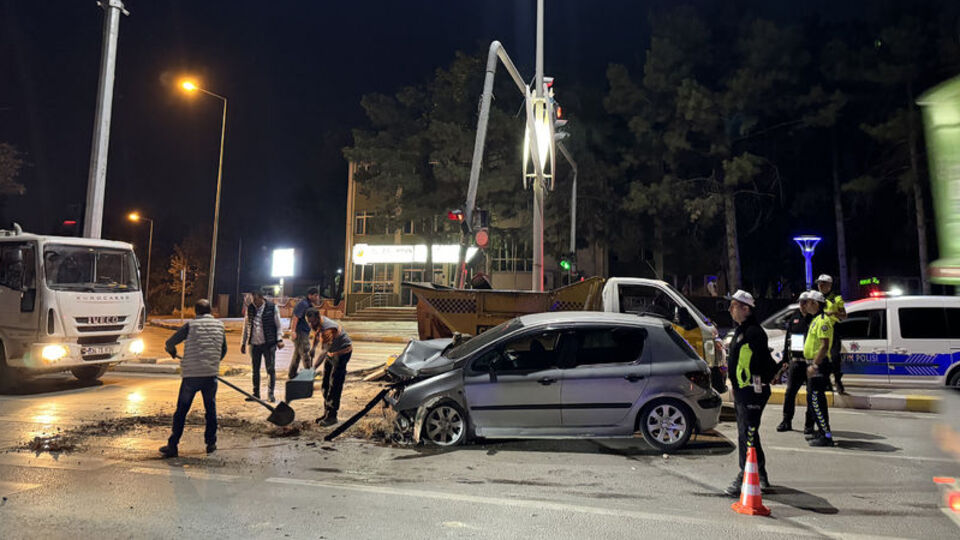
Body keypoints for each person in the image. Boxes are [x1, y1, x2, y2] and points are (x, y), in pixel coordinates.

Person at [724, 290, 778, 497]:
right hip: (743, 391)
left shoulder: (753, 333)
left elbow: (759, 363)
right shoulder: (742, 330)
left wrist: (757, 384)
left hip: (751, 392)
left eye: (734, 306)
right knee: (749, 433)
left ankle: (745, 474)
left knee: (747, 434)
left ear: (746, 309)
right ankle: (760, 474)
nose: (730, 309)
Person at [159, 299, 227, 458]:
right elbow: (223, 349)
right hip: (210, 375)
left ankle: (173, 445)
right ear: (210, 311)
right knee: (210, 409)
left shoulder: (191, 325)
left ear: (196, 312)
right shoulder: (220, 326)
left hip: (191, 376)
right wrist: (212, 363)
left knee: (181, 411)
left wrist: (172, 352)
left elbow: (170, 342)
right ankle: (211, 443)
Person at [305, 309, 353, 427]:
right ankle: (327, 413)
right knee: (325, 385)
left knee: (334, 384)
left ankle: (332, 416)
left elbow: (323, 352)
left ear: (318, 317)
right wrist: (313, 348)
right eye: (308, 322)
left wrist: (313, 368)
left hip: (342, 353)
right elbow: (317, 335)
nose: (310, 325)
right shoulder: (317, 324)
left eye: (312, 322)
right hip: (332, 353)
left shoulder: (328, 328)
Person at [776, 291, 815, 432]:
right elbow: (788, 340)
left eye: (805, 302)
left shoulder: (814, 319)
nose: (802, 305)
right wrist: (785, 360)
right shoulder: (794, 318)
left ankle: (809, 424)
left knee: (811, 394)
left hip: (810, 362)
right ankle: (786, 421)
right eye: (800, 302)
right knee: (790, 392)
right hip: (796, 361)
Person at [804, 290, 836, 447]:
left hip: (819, 365)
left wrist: (815, 365)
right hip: (814, 364)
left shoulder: (823, 321)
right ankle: (822, 431)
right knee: (813, 400)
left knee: (816, 400)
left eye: (808, 302)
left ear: (815, 304)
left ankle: (826, 435)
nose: (806, 305)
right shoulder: (816, 320)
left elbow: (824, 346)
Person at [240, 291, 284, 402]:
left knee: (270, 369)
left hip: (268, 344)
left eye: (255, 299)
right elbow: (246, 326)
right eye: (252, 300)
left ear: (260, 297)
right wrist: (243, 342)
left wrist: (279, 339)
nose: (254, 302)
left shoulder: (272, 307)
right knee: (255, 370)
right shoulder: (250, 308)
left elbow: (279, 325)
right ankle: (256, 394)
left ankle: (270, 394)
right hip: (254, 344)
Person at [816, 274, 847, 393]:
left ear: (829, 285)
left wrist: (833, 313)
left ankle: (838, 381)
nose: (820, 285)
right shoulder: (816, 298)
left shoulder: (836, 298)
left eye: (822, 283)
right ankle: (826, 382)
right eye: (819, 283)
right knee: (822, 357)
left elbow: (844, 316)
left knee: (834, 357)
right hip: (819, 330)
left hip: (833, 330)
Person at [288, 287, 320, 379]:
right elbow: (295, 317)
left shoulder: (309, 305)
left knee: (298, 354)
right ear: (310, 296)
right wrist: (293, 331)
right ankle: (309, 373)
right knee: (305, 352)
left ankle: (292, 374)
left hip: (304, 331)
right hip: (300, 332)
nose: (317, 297)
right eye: (315, 295)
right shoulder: (303, 304)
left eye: (317, 295)